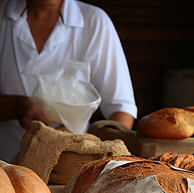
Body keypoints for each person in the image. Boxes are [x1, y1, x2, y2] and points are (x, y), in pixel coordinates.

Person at [0, 0, 138, 162]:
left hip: (71, 169)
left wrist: (85, 146)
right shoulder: (2, 17)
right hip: (4, 166)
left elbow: (122, 110)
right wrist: (16, 106)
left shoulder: (95, 22)